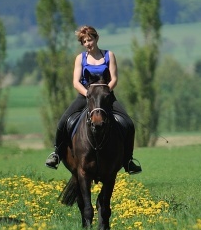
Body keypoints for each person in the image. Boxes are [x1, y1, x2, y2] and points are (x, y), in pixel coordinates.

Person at [45, 25, 142, 174]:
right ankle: (56, 154)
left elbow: (114, 79)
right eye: (84, 41)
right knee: (63, 122)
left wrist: (105, 93)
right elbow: (76, 82)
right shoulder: (80, 58)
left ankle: (128, 161)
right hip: (85, 96)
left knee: (128, 123)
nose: (87, 44)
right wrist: (88, 94)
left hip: (106, 97)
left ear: (96, 38)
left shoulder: (109, 55)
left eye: (89, 40)